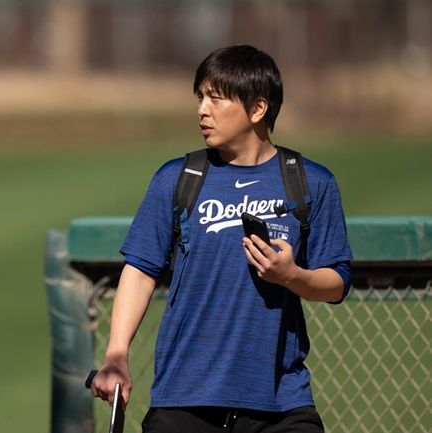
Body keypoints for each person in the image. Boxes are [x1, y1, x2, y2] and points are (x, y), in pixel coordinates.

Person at [90, 45, 352, 432]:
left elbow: (337, 282)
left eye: (216, 97)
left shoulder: (311, 182)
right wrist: (116, 354)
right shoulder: (176, 179)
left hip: (280, 402)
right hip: (184, 400)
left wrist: (291, 275)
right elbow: (141, 269)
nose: (202, 109)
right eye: (200, 97)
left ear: (258, 109)